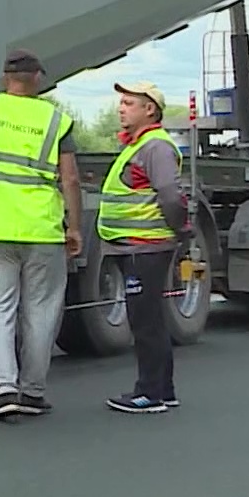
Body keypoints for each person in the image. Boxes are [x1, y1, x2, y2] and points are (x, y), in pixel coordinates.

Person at [0, 48, 82, 420]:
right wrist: (73, 227)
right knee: (41, 312)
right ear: (37, 78)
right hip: (42, 229)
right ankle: (34, 393)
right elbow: (70, 178)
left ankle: (4, 389)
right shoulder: (56, 120)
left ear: (5, 77)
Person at [96, 81, 191, 414]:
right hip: (138, 247)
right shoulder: (139, 145)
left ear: (149, 109)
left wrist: (179, 227)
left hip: (145, 247)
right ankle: (163, 390)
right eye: (121, 103)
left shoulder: (155, 147)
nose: (121, 108)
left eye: (129, 103)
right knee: (150, 318)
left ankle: (149, 393)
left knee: (144, 320)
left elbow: (169, 194)